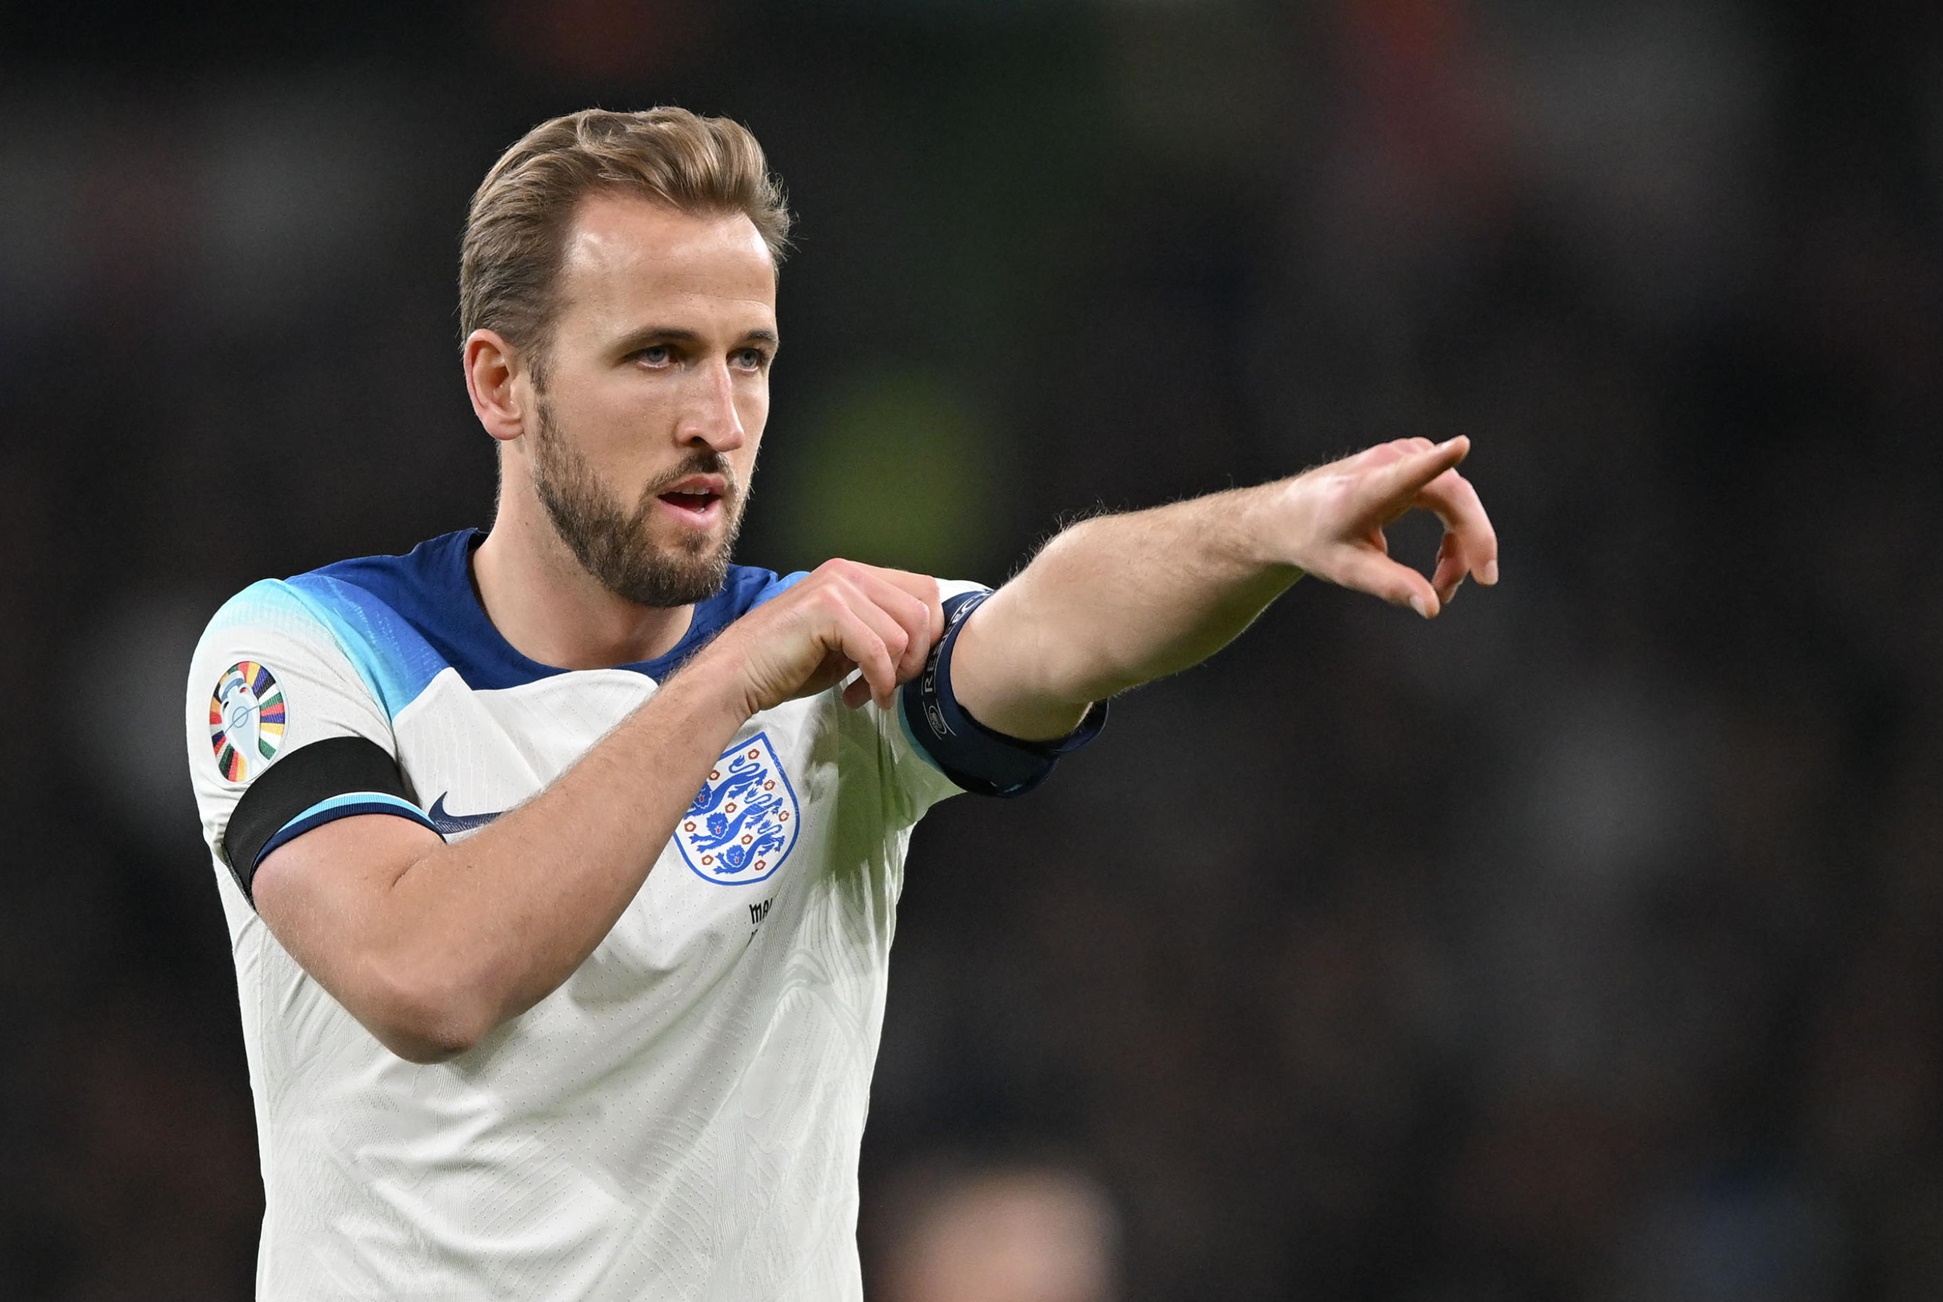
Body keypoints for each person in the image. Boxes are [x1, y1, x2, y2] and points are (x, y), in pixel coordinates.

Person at [184, 107, 1498, 1300]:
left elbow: (1058, 619)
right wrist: (727, 681)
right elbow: (424, 973)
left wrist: (1268, 524)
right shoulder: (301, 651)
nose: (717, 415)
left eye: (746, 357)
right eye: (655, 355)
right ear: (500, 383)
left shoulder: (827, 661)